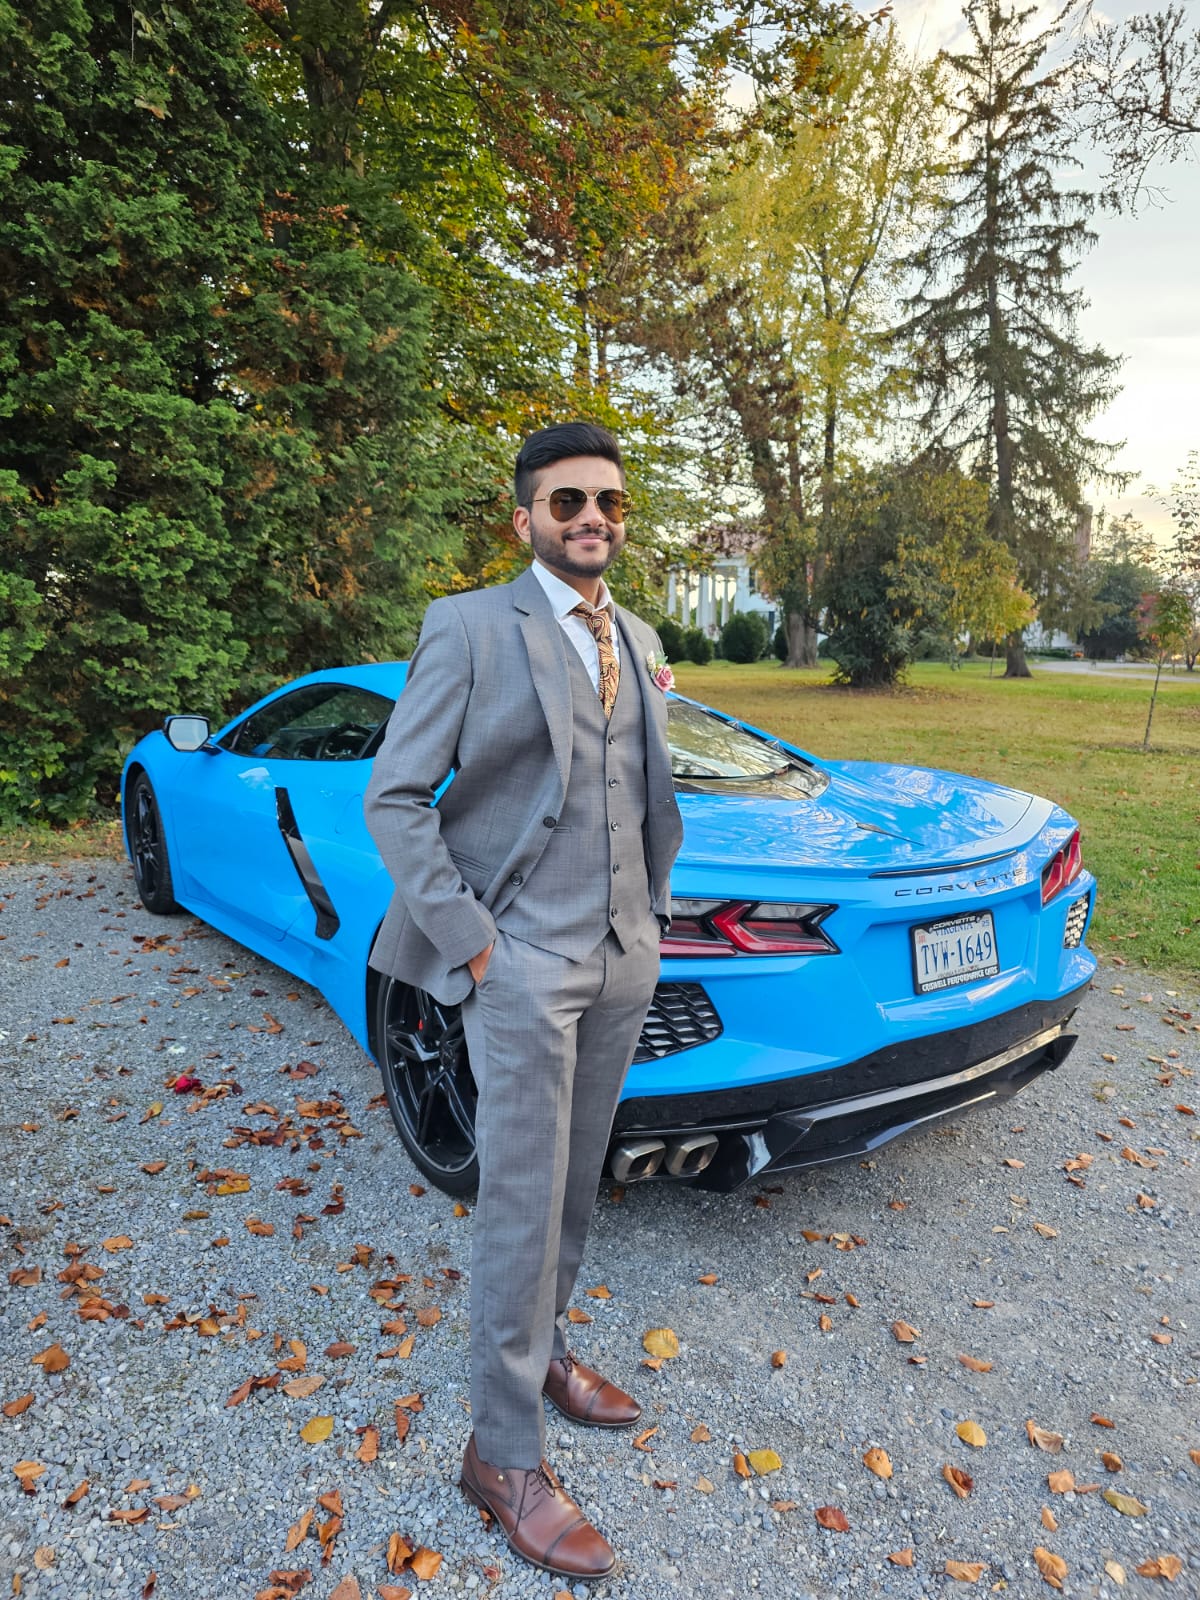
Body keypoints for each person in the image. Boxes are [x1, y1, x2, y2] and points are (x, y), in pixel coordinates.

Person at [363, 421, 683, 1579]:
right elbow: (395, 798)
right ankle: (500, 1454)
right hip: (522, 962)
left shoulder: (638, 636)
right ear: (525, 519)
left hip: (621, 956)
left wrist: (650, 918)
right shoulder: (467, 627)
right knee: (517, 1199)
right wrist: (479, 948)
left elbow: (640, 789)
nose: (592, 517)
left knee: (578, 1177)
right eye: (567, 501)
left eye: (609, 501)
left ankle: (542, 1348)